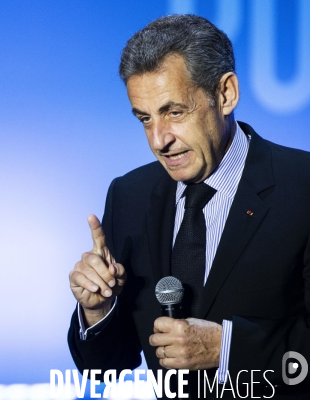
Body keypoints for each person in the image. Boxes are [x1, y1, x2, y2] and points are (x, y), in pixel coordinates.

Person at [67, 14, 310, 398]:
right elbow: (106, 370)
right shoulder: (128, 195)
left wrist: (226, 349)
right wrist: (99, 311)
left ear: (225, 94)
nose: (158, 140)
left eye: (174, 112)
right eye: (145, 119)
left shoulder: (303, 187)